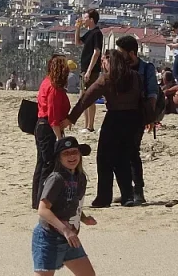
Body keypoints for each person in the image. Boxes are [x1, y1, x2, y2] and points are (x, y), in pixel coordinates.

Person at [8, 136, 102, 276]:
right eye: (66, 154)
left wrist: (84, 218)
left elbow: (71, 203)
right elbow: (43, 210)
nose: (72, 157)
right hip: (49, 238)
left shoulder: (80, 178)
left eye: (75, 152)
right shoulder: (56, 178)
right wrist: (66, 231)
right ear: (59, 158)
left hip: (69, 239)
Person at [68, 50, 143, 207]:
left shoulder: (107, 79)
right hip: (133, 119)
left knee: (104, 158)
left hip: (115, 118)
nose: (102, 64)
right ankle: (127, 195)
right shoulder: (134, 76)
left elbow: (86, 98)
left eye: (104, 61)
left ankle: (104, 197)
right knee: (123, 158)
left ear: (111, 62)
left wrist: (71, 118)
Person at [115, 35, 158, 204]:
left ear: (131, 53)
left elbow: (152, 94)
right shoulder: (119, 67)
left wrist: (150, 117)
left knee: (133, 153)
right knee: (120, 154)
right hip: (121, 115)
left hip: (138, 115)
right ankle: (127, 191)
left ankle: (138, 190)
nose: (119, 56)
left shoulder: (147, 69)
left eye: (121, 52)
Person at [32, 55, 72, 210]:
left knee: (42, 163)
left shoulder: (47, 82)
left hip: (42, 125)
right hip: (47, 128)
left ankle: (37, 200)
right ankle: (42, 200)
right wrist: (60, 139)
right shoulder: (54, 89)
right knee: (48, 164)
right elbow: (53, 118)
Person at [74, 10, 103, 133]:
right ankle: (86, 125)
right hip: (84, 69)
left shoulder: (97, 33)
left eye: (85, 18)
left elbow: (97, 52)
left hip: (91, 71)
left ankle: (90, 126)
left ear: (91, 19)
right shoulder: (89, 33)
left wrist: (89, 71)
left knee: (89, 97)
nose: (83, 19)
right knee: (83, 96)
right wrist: (77, 28)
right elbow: (78, 42)